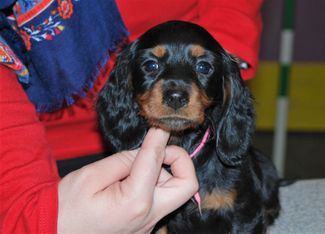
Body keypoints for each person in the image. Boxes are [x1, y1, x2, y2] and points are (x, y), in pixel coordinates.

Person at [0, 0, 263, 233]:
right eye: (151, 65)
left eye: (202, 66)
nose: (176, 93)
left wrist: (220, 62)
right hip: (60, 158)